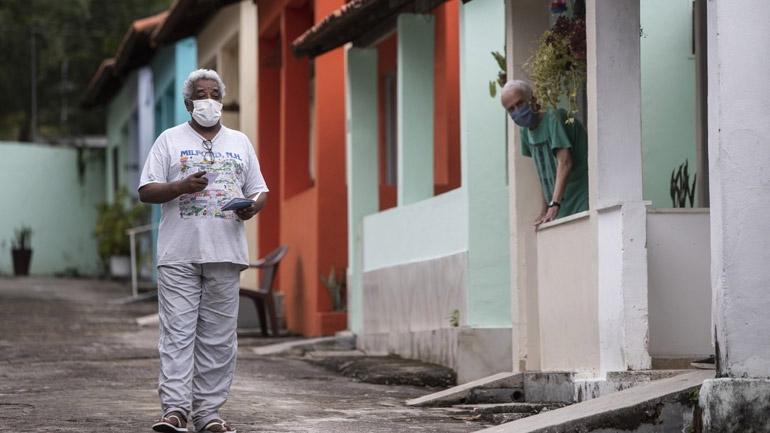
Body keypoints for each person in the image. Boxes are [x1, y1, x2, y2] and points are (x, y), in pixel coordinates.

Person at [139, 69, 268, 433]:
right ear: (188, 102)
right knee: (178, 334)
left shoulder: (240, 141)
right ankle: (175, 411)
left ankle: (209, 414)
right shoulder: (169, 140)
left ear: (222, 101)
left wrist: (252, 206)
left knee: (218, 338)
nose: (208, 100)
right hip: (179, 254)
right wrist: (180, 186)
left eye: (214, 94)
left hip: (225, 253)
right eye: (201, 94)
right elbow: (146, 190)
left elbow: (260, 190)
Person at [500, 80, 588, 227]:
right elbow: (544, 171)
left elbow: (565, 162)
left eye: (520, 103)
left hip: (581, 201)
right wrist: (545, 209)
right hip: (560, 209)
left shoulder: (554, 118)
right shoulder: (525, 132)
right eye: (511, 109)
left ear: (532, 98)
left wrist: (554, 205)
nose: (517, 111)